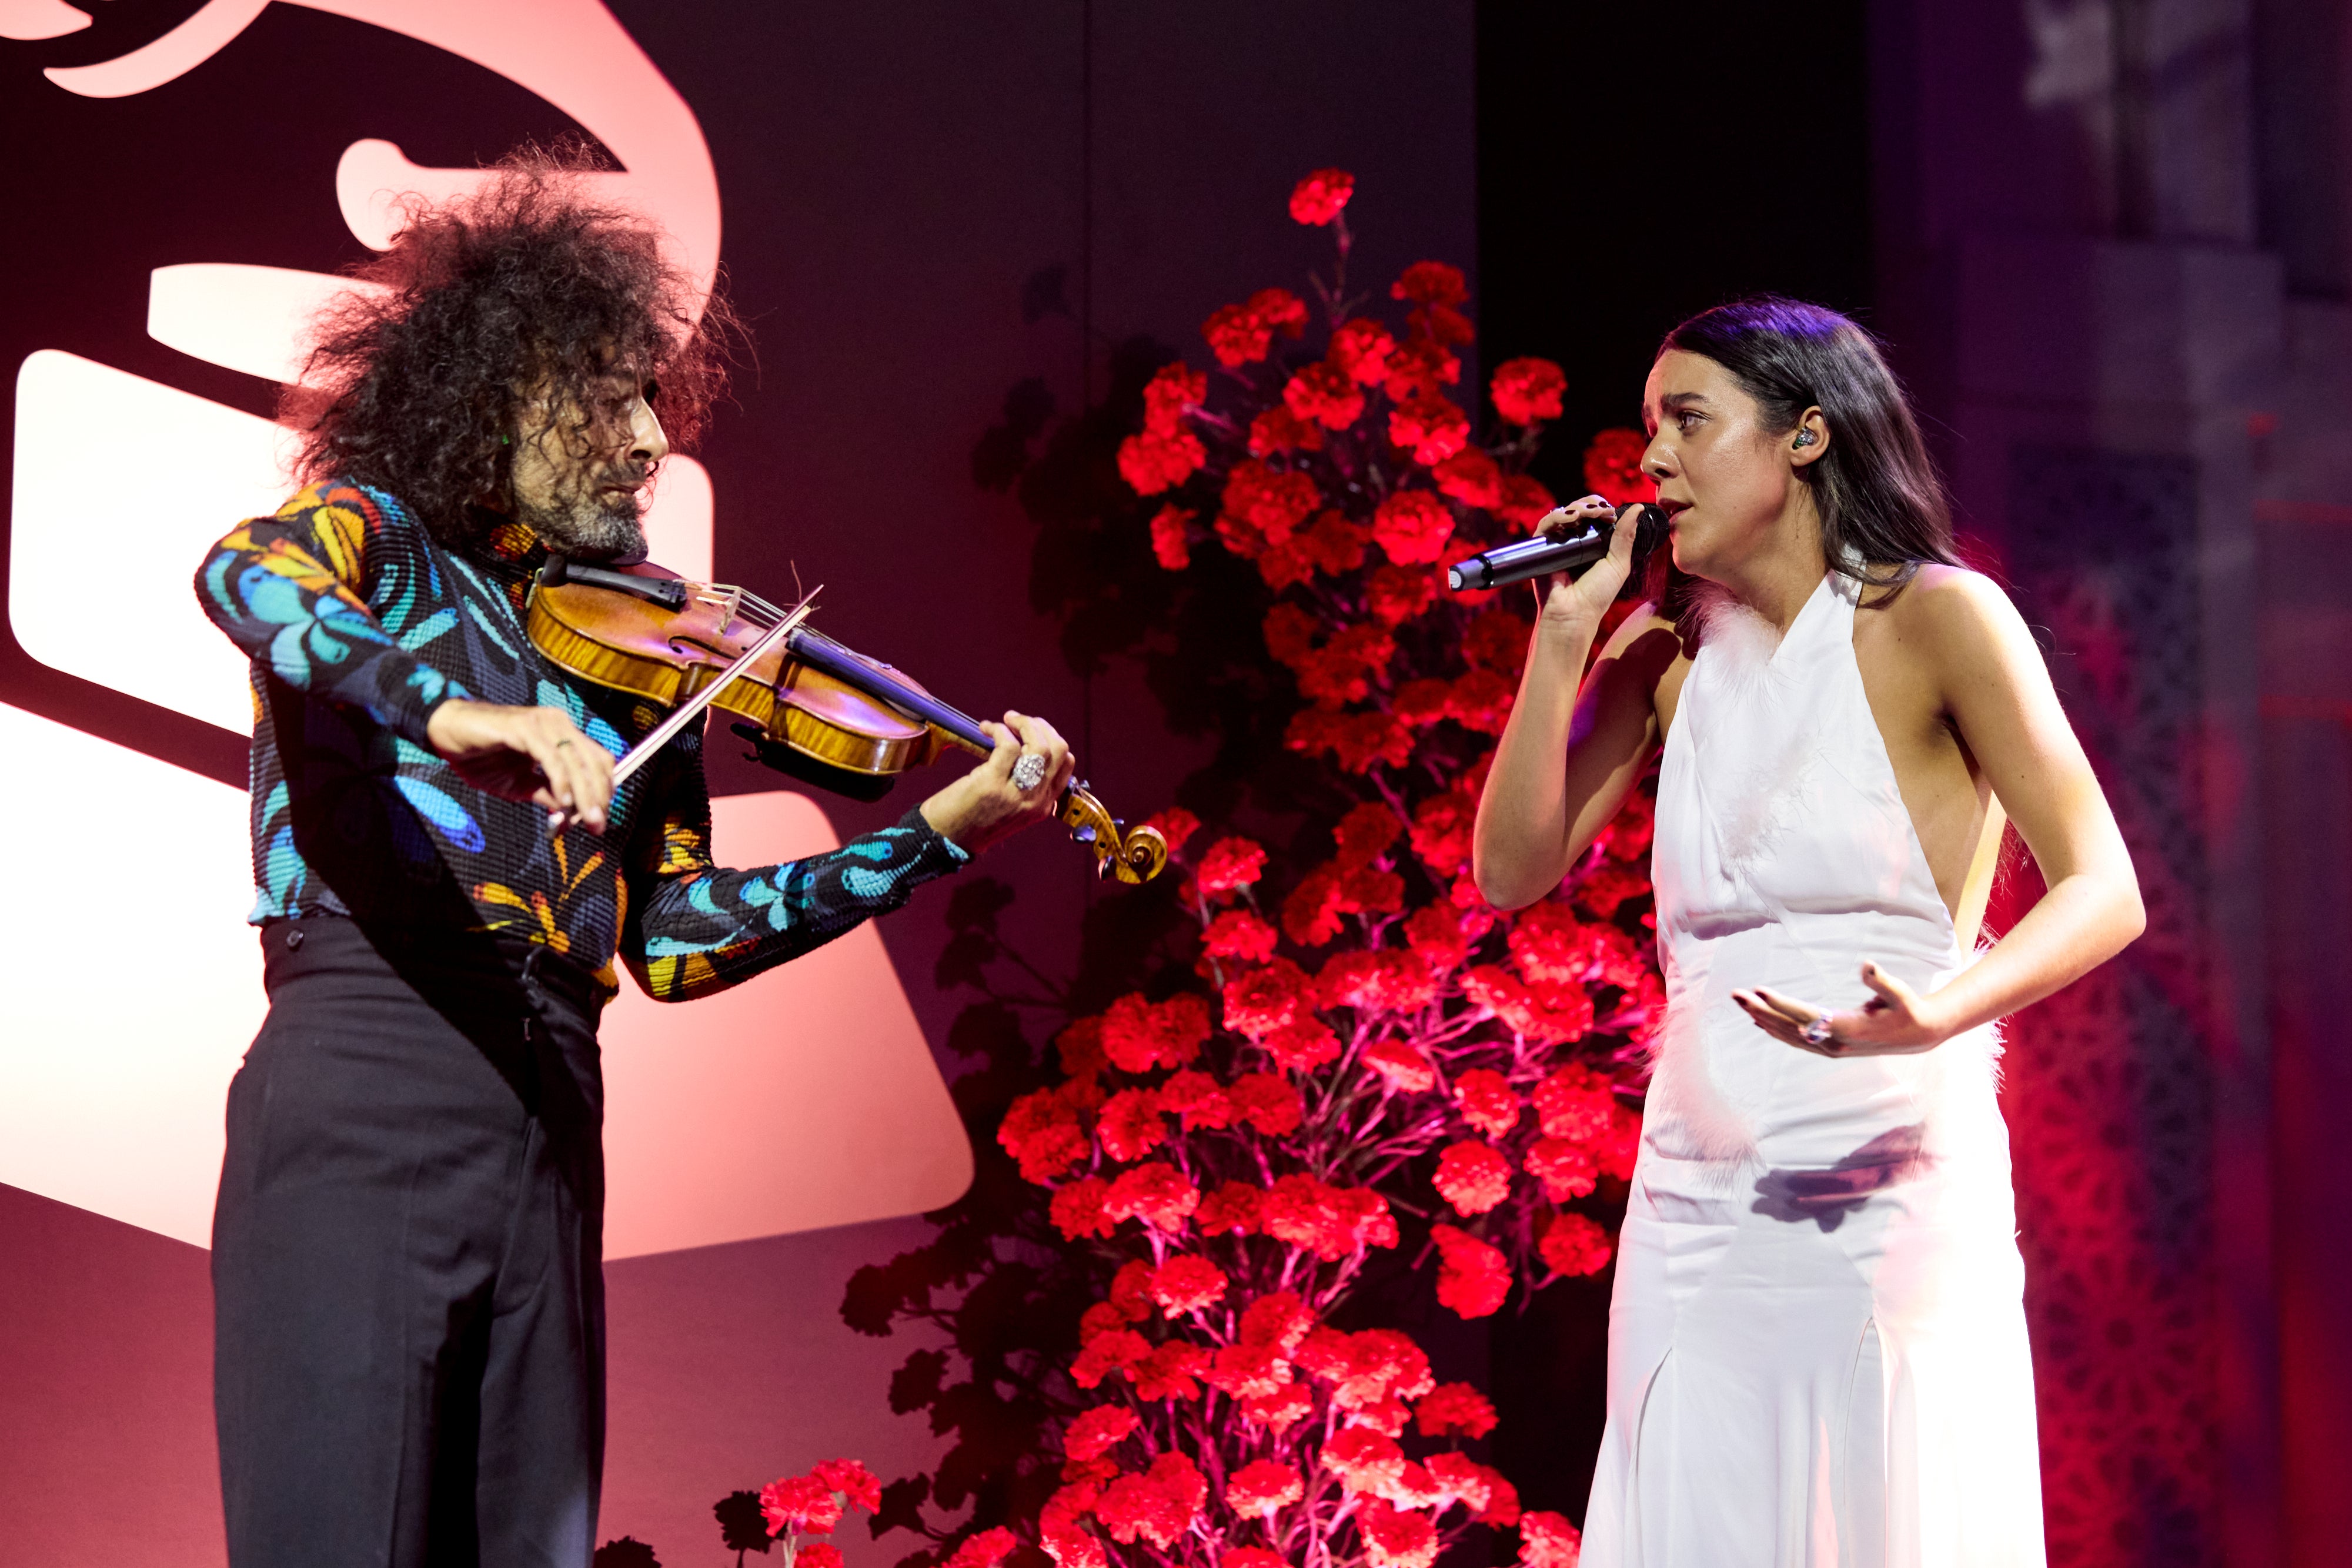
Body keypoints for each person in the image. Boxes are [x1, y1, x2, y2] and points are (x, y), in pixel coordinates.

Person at [192, 153, 1074, 1568]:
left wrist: (930, 835)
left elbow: (668, 938)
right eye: (610, 395)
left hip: (551, 1124)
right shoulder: (381, 539)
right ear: (499, 393)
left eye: (653, 401)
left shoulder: (623, 657)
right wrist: (458, 706)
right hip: (374, 1077)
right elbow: (244, 575)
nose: (648, 439)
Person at [1474, 298, 2144, 1566]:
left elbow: (2102, 885)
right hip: (1692, 1194)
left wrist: (1942, 1009)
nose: (1649, 462)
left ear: (1802, 437)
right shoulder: (1665, 649)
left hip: (1885, 1173)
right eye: (1643, 432)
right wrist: (1563, 635)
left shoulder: (1943, 617)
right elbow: (1511, 871)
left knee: (1873, 1502)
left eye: (1686, 421)